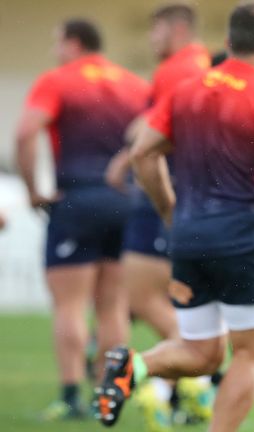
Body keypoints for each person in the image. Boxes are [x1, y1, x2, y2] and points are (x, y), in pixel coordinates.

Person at [96, 2, 254, 431]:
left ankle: (133, 366)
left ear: (228, 43)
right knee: (250, 353)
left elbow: (141, 153)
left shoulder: (185, 91)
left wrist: (169, 208)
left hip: (188, 237)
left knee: (203, 352)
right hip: (243, 240)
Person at [15, 18, 148, 420]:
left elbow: (25, 133)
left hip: (75, 199)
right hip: (125, 201)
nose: (57, 51)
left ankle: (71, 397)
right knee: (112, 306)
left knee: (70, 306)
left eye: (58, 43)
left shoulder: (57, 80)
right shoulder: (133, 84)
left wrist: (32, 191)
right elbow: (151, 138)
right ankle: (108, 395)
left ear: (72, 43)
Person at [103, 4, 213, 429]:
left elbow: (157, 128)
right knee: (165, 294)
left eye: (158, 31)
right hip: (191, 192)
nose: (153, 40)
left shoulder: (179, 68)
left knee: (141, 296)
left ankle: (197, 368)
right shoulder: (198, 66)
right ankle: (183, 381)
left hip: (164, 190)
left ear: (179, 28)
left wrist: (126, 154)